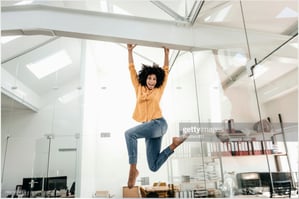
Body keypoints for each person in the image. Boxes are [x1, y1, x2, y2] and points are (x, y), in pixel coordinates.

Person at [125, 44, 189, 188]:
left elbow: (166, 71)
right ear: (145, 78)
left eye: (154, 79)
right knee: (153, 166)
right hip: (149, 129)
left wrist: (166, 54)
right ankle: (174, 144)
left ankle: (133, 169)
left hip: (159, 124)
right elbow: (131, 69)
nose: (152, 81)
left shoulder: (159, 89)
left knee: (129, 134)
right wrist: (129, 51)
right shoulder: (139, 88)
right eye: (149, 78)